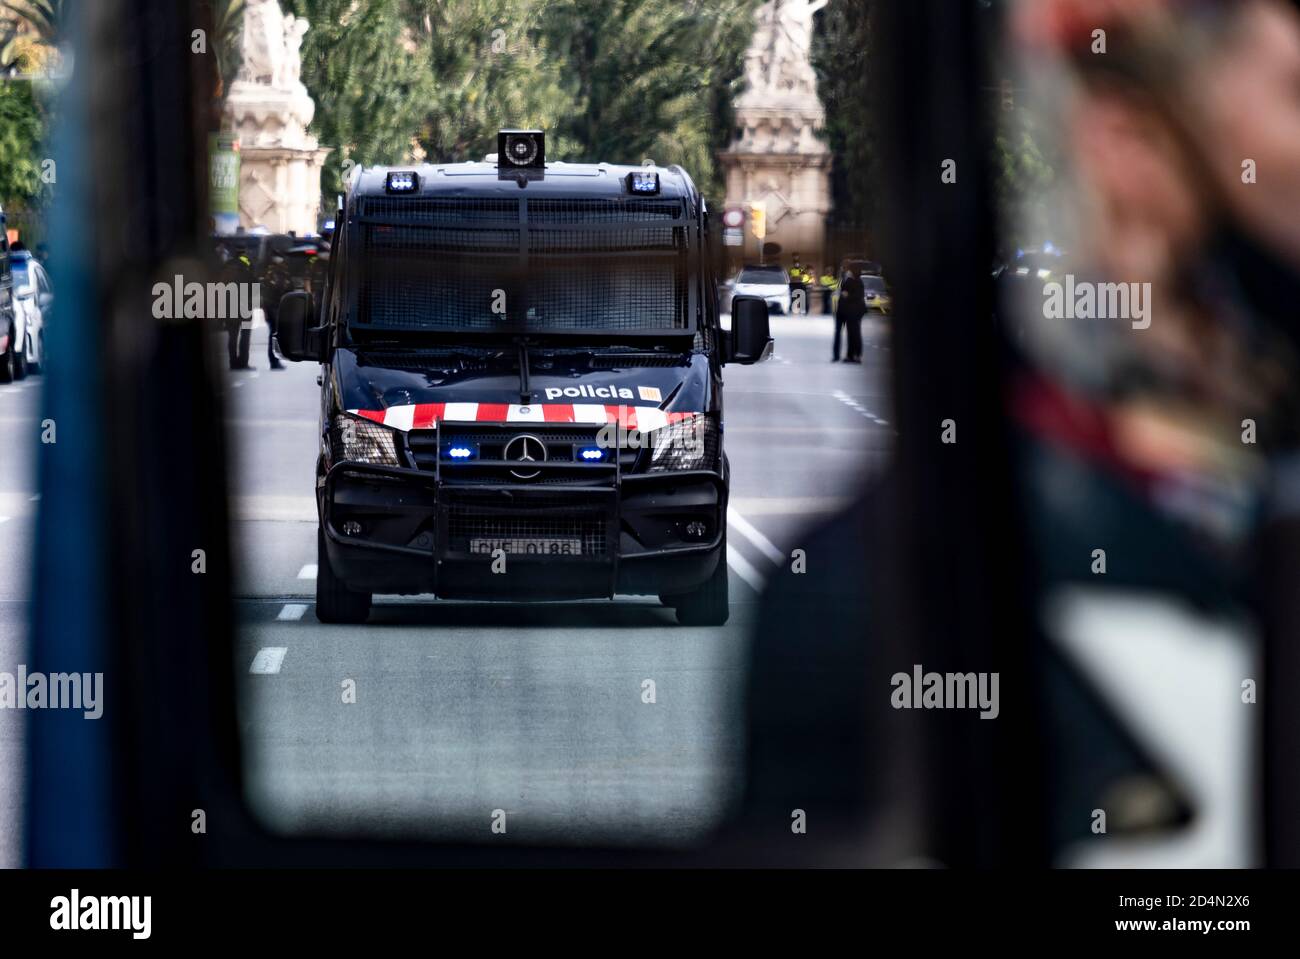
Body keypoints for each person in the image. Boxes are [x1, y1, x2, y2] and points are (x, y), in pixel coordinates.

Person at [832, 265, 865, 362]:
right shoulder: (844, 280)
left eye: (847, 269)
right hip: (843, 311)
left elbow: (856, 296)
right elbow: (842, 293)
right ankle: (841, 355)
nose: (845, 271)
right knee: (843, 333)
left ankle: (854, 355)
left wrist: (847, 295)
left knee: (854, 333)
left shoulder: (856, 282)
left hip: (852, 312)